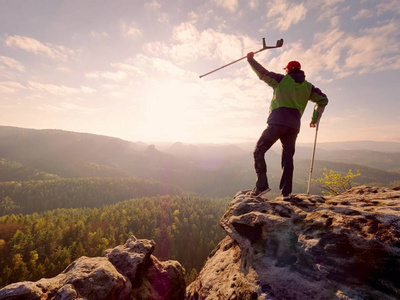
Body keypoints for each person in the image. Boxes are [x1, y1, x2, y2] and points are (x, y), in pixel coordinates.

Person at [246, 52, 328, 200]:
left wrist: (250, 59)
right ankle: (286, 193)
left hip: (277, 123)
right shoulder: (308, 87)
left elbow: (262, 73)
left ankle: (262, 186)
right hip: (293, 127)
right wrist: (314, 119)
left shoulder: (281, 80)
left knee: (259, 151)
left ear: (288, 70)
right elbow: (323, 99)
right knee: (288, 158)